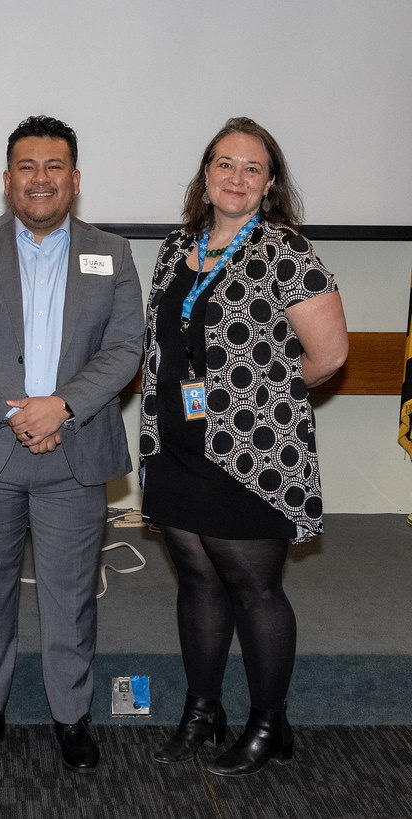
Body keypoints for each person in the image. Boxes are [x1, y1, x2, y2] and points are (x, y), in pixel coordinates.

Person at [0, 115, 144, 773]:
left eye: (54, 166)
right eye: (27, 166)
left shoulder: (113, 250)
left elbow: (126, 346)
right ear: (6, 180)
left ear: (75, 180)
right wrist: (18, 408)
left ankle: (71, 717)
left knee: (71, 595)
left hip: (74, 449)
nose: (40, 178)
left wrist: (63, 406)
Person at [139, 117, 348, 776]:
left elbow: (329, 356)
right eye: (224, 164)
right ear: (205, 175)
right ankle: (204, 709)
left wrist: (263, 404)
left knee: (255, 590)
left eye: (251, 168)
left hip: (251, 458)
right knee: (197, 582)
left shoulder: (286, 252)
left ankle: (268, 721)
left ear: (269, 183)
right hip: (175, 448)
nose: (236, 177)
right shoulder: (177, 247)